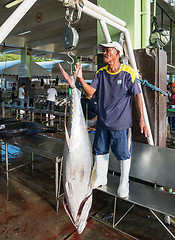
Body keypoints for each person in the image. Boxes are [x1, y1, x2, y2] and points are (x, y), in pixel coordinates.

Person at [75, 41, 150, 198]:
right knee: (100, 151)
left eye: (108, 51)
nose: (105, 53)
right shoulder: (101, 73)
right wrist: (81, 79)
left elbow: (137, 95)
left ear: (117, 53)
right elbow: (90, 93)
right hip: (103, 123)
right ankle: (101, 178)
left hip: (121, 124)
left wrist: (141, 119)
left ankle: (124, 182)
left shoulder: (128, 72)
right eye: (104, 51)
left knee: (123, 154)